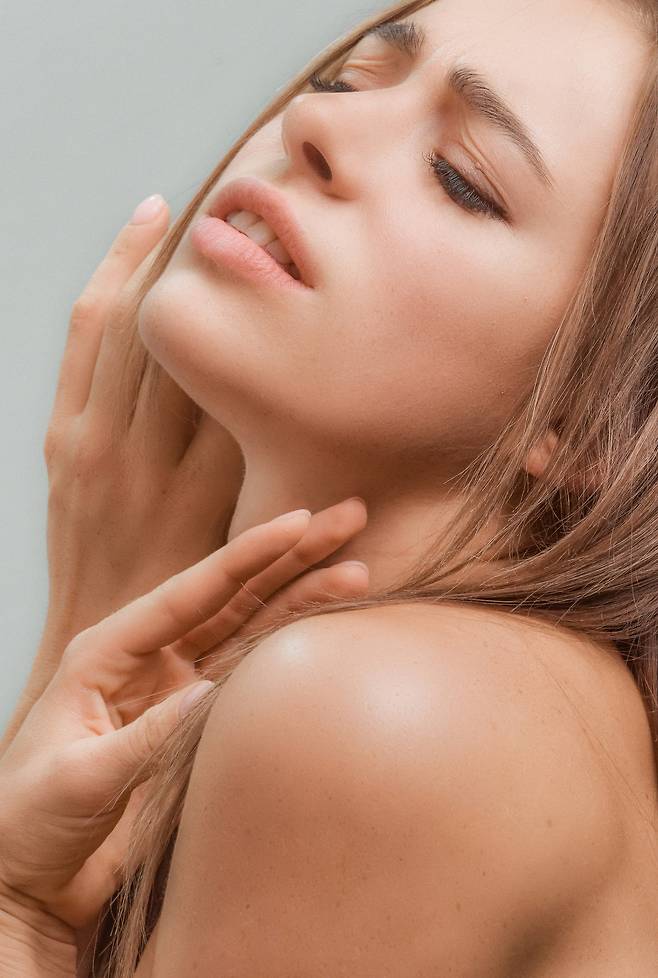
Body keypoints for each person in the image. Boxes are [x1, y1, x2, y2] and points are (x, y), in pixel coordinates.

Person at [0, 0, 656, 974]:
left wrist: (17, 911)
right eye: (345, 79)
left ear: (597, 423)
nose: (316, 123)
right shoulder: (522, 701)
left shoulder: (381, 709)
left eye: (460, 178)